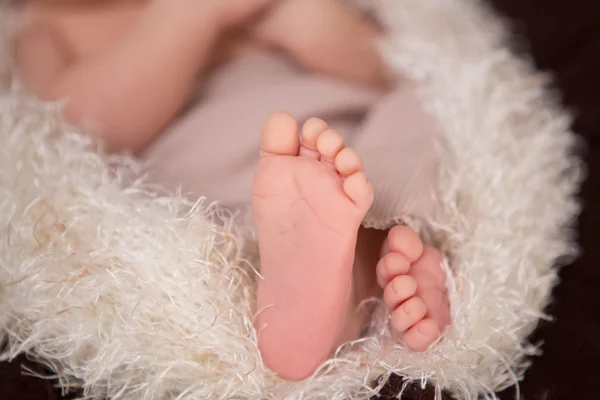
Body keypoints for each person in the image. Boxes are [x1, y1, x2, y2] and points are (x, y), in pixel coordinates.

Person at [12, 0, 450, 381]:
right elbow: (68, 129)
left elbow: (384, 68)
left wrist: (300, 16)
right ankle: (342, 283)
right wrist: (193, 11)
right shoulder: (43, 29)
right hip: (212, 158)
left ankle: (358, 276)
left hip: (343, 144)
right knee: (296, 216)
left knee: (414, 114)